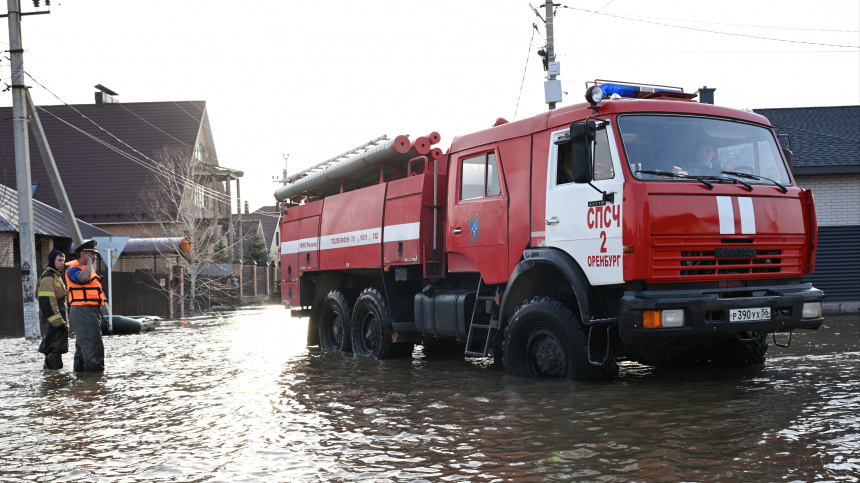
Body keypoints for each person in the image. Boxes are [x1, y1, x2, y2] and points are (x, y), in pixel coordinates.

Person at [65, 240, 105, 373]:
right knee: (93, 348)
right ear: (83, 254)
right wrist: (88, 263)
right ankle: (94, 384)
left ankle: (82, 384)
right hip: (83, 311)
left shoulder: (86, 269)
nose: (94, 257)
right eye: (92, 254)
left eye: (95, 255)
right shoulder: (73, 269)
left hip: (88, 311)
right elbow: (82, 279)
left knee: (83, 349)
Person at [37, 250, 69, 370]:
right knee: (53, 349)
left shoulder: (55, 276)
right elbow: (47, 302)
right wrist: (58, 323)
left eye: (63, 261)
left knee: (55, 349)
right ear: (52, 261)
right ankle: (53, 382)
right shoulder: (49, 277)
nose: (62, 263)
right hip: (53, 322)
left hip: (55, 321)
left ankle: (52, 380)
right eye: (59, 260)